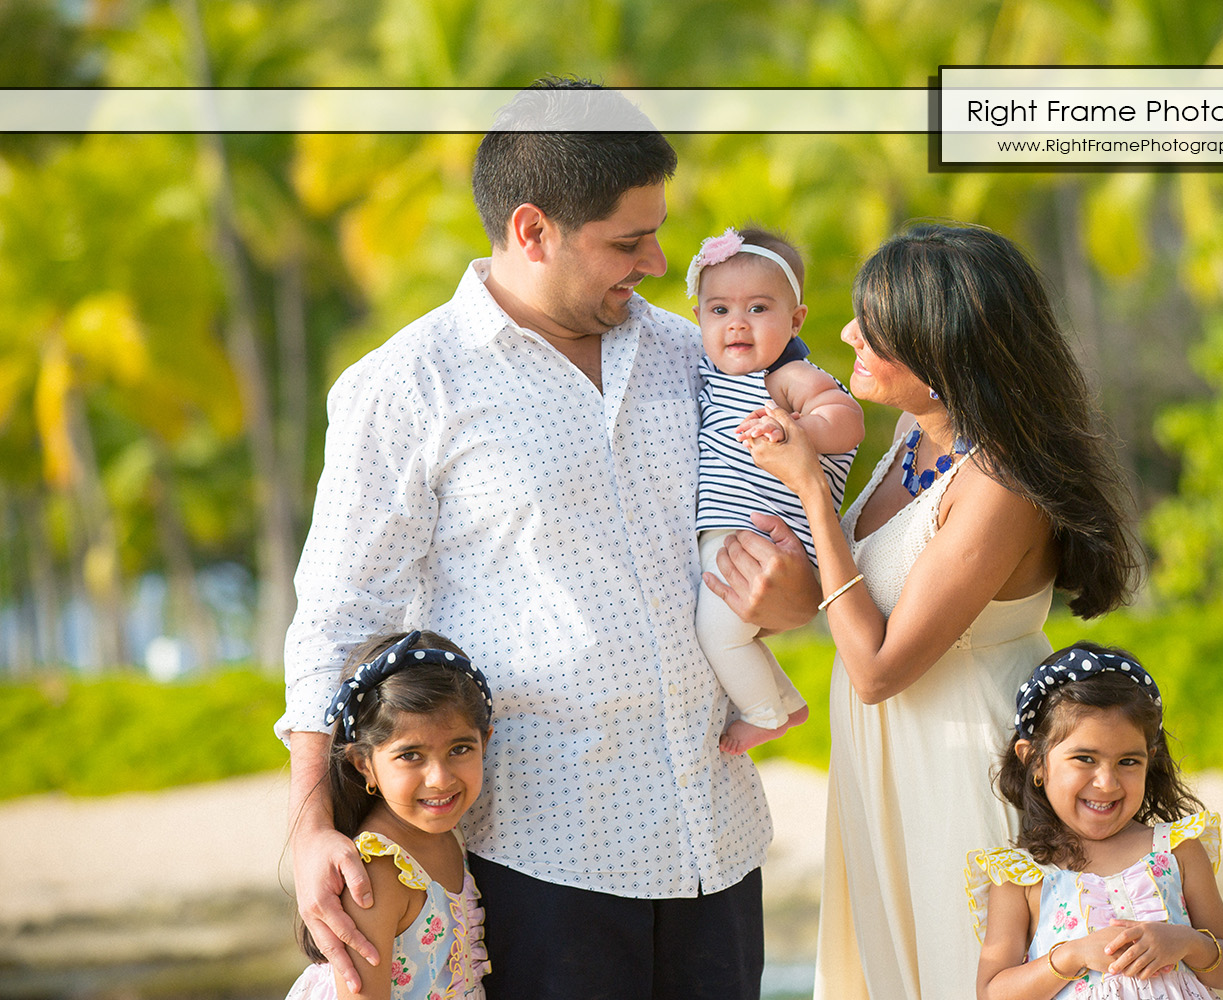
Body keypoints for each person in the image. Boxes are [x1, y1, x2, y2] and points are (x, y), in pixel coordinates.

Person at [278, 79, 819, 1000]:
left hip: (716, 845)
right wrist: (305, 825)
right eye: (627, 240)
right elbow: (339, 615)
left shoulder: (699, 358)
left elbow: (786, 535)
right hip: (536, 855)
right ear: (532, 231)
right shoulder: (406, 385)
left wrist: (795, 594)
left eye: (657, 231)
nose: (656, 260)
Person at [737, 222, 1139, 999]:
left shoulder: (1001, 484)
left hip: (967, 761)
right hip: (884, 760)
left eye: (876, 329)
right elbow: (861, 598)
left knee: (959, 972)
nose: (848, 332)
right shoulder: (912, 438)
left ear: (942, 350)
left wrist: (814, 493)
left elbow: (881, 667)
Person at [968, 642, 1223, 999]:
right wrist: (1071, 955)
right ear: (1035, 761)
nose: (1107, 782)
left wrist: (1187, 943)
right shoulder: (1022, 876)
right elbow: (992, 992)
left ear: (1150, 758)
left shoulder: (1178, 850)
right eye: (1085, 758)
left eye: (1128, 762)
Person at [688, 224, 864, 754]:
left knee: (717, 633)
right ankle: (787, 702)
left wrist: (798, 429)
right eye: (719, 311)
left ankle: (764, 715)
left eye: (758, 309)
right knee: (727, 630)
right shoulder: (712, 373)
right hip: (729, 535)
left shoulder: (784, 377)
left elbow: (847, 417)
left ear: (795, 320)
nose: (737, 323)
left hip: (765, 539)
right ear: (698, 319)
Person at [285, 629, 494, 1000]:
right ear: (363, 764)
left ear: (485, 741)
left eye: (460, 748)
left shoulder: (451, 834)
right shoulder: (377, 874)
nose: (440, 778)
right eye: (410, 755)